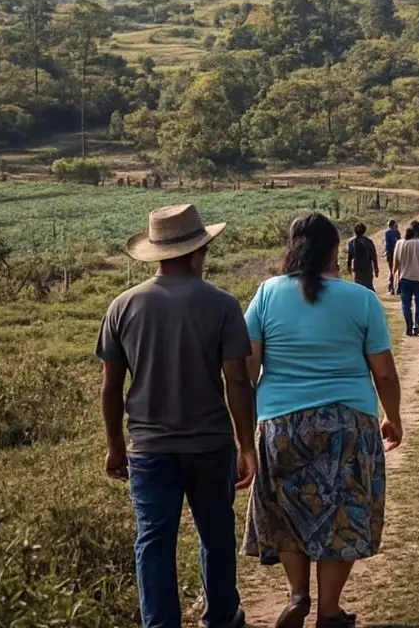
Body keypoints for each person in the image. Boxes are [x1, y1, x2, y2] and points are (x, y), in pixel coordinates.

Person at [97, 204, 255, 628]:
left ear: (156, 253)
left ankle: (160, 623)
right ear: (199, 251)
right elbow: (237, 382)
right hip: (211, 446)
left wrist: (115, 445)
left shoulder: (122, 306)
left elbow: (111, 387)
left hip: (149, 450)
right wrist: (246, 446)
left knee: (153, 542)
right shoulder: (223, 304)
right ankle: (221, 616)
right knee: (216, 534)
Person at [242, 213, 403, 628]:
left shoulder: (267, 293)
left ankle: (298, 595)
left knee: (287, 509)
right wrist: (393, 417)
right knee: (342, 514)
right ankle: (329, 610)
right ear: (336, 250)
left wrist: (245, 427)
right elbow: (384, 373)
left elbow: (247, 369)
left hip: (281, 424)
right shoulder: (361, 299)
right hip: (348, 423)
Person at [392, 223, 419, 336]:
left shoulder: (400, 243)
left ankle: (409, 326)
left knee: (406, 304)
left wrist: (393, 275)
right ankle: (417, 324)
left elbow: (396, 262)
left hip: (404, 278)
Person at [346, 223, 380, 292]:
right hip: (366, 267)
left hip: (358, 267)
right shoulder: (368, 241)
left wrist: (349, 267)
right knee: (368, 286)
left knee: (359, 286)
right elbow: (374, 256)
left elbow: (350, 256)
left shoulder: (351, 242)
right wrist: (376, 269)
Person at [382, 220, 402, 295]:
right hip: (397, 252)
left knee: (391, 270)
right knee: (399, 270)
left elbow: (387, 243)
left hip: (390, 253)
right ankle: (399, 288)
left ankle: (391, 288)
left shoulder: (387, 232)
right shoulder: (397, 232)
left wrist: (385, 251)